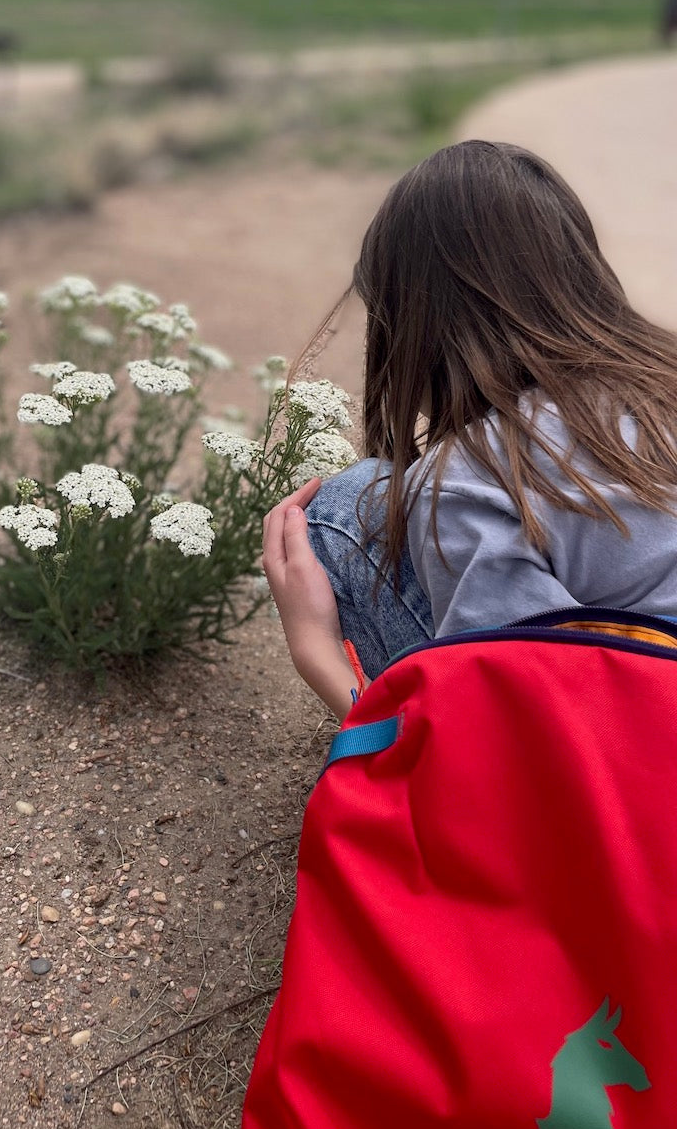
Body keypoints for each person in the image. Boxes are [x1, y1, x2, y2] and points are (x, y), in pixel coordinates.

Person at [263, 139, 677, 722]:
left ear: (412, 323)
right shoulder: (662, 379)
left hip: (643, 776)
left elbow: (517, 732)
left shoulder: (467, 473)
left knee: (341, 510)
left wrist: (318, 652)